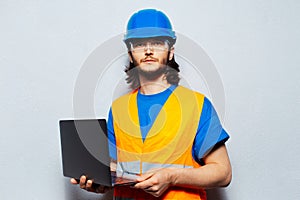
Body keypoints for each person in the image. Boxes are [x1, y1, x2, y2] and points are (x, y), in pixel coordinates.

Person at [71, 8, 232, 200]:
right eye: (139, 44)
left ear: (170, 52)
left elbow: (223, 173)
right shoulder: (119, 109)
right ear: (130, 54)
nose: (148, 50)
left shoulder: (197, 105)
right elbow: (116, 171)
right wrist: (100, 183)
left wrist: (172, 177)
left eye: (156, 43)